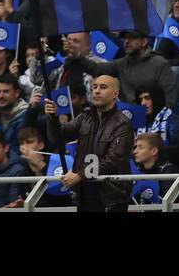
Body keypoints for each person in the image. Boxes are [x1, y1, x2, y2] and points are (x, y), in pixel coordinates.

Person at [45, 73, 134, 212]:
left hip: (110, 197)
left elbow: (113, 160)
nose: (97, 91)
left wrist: (79, 175)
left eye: (103, 87)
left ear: (115, 93)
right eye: (95, 87)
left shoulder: (122, 123)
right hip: (84, 192)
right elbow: (59, 135)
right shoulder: (86, 116)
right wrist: (52, 117)